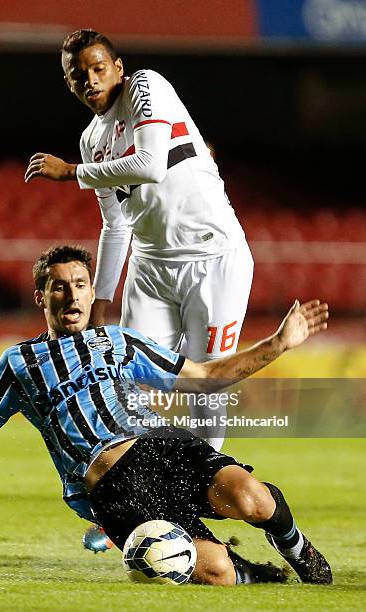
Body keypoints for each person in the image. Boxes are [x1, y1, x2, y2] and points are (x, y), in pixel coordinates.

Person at [0, 245, 331, 586]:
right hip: (110, 488)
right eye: (58, 286)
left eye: (79, 284)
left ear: (92, 292)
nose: (71, 294)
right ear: (41, 297)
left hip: (160, 447)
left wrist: (278, 344)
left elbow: (205, 376)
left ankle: (294, 545)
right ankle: (253, 573)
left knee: (252, 499)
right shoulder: (18, 362)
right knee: (214, 574)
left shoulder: (118, 341)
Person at [25, 29, 254, 452]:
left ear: (118, 68)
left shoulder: (146, 86)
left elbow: (150, 165)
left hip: (213, 255)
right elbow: (116, 225)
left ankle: (200, 496)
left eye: (98, 69)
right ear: (68, 84)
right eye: (79, 75)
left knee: (207, 382)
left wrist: (71, 173)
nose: (91, 80)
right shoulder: (92, 140)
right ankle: (138, 501)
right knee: (129, 387)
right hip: (150, 267)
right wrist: (100, 303)